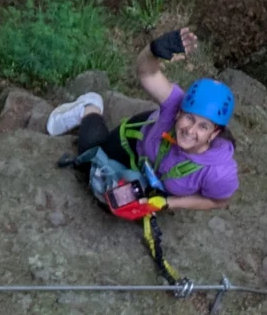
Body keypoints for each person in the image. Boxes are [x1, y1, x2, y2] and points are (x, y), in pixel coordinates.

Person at [45, 27, 240, 213]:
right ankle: (89, 108)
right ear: (179, 113)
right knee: (89, 165)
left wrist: (167, 203)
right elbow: (147, 73)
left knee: (116, 203)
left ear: (214, 133)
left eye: (203, 126)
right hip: (136, 143)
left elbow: (218, 201)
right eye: (189, 118)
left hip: (153, 177)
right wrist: (153, 51)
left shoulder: (219, 172)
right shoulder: (174, 104)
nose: (190, 130)